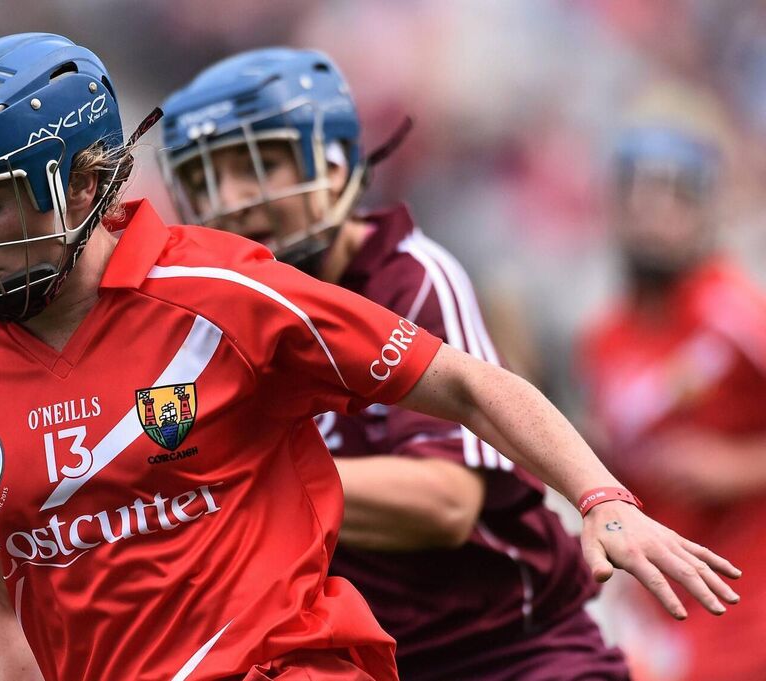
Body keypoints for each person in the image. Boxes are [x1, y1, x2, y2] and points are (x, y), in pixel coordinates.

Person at [0, 33, 739, 681]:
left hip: (500, 654)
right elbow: (1, 600)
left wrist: (601, 498)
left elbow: (459, 445)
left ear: (77, 182)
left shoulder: (244, 290)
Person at [158, 47, 628, 680]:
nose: (232, 201)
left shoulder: (410, 278)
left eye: (258, 166)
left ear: (334, 163)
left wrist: (245, 479)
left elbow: (445, 502)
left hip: (509, 653)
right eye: (205, 179)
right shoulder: (203, 324)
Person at [578, 93, 766, 681]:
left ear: (704, 210)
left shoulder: (737, 313)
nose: (652, 214)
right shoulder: (604, 337)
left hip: (749, 602)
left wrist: (736, 466)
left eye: (673, 198)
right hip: (662, 604)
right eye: (636, 195)